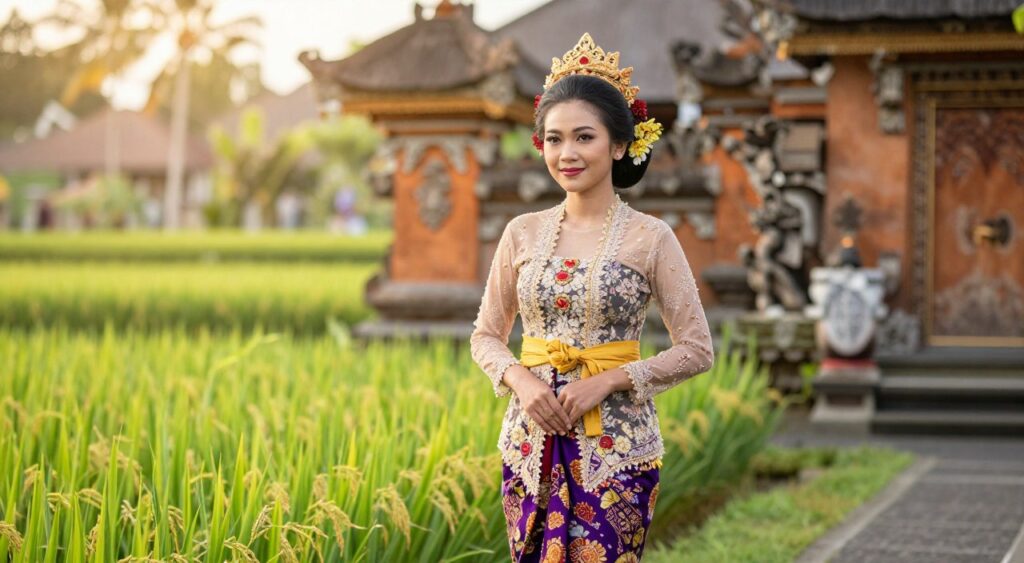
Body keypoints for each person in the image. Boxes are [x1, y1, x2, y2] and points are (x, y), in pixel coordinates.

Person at [469, 32, 716, 562]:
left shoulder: (651, 237)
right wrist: (520, 381)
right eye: (554, 140)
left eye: (584, 137)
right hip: (529, 442)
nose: (567, 154)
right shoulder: (522, 232)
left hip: (616, 450)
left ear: (620, 145)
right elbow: (486, 335)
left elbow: (697, 348)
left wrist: (608, 381)